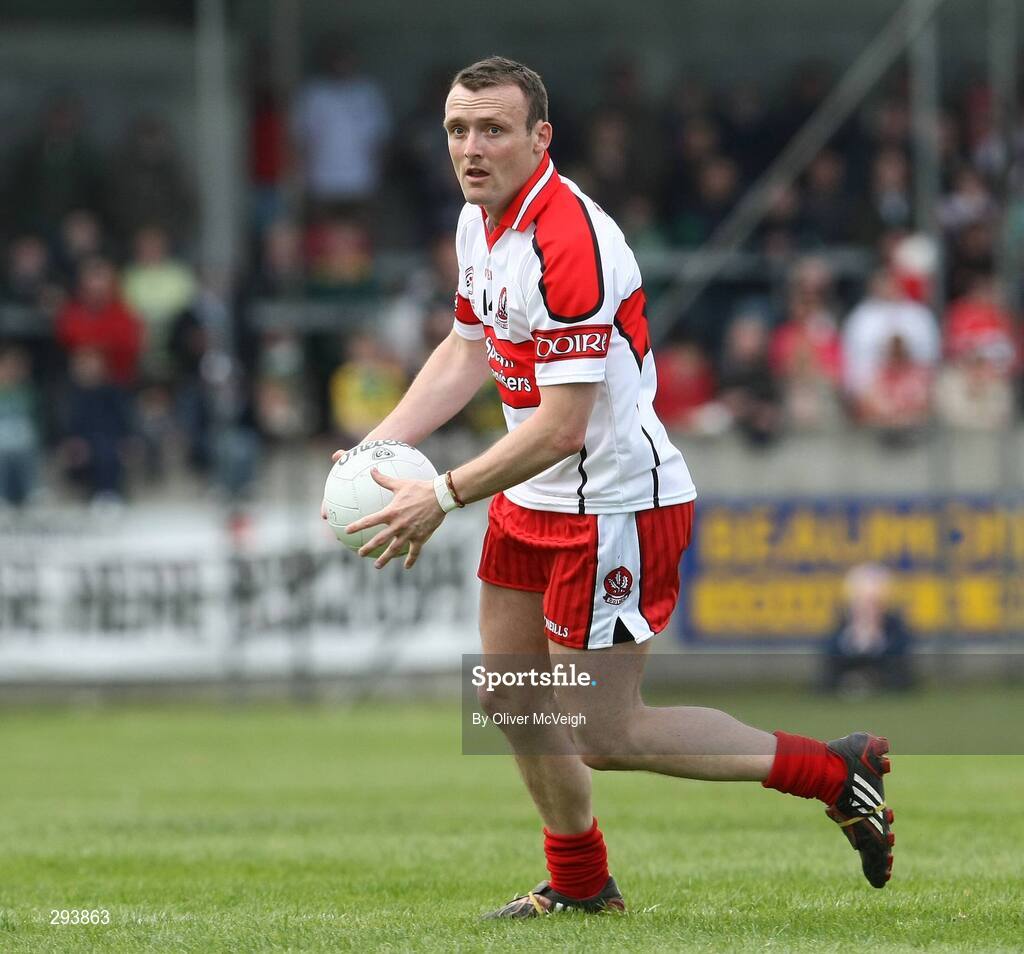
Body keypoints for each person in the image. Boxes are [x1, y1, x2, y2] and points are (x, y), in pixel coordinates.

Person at [323, 56, 895, 917]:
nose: (470, 148)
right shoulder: (479, 223)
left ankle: (832, 771)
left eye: (492, 130)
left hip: (613, 502)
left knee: (604, 732)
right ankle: (582, 887)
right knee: (508, 697)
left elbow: (563, 426)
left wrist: (438, 495)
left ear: (539, 136)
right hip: (533, 493)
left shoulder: (572, 242)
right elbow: (465, 349)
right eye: (456, 129)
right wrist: (373, 448)